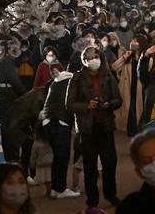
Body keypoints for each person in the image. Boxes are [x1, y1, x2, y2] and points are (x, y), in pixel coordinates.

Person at [66, 44, 122, 208]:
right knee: (90, 166)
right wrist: (87, 106)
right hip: (87, 128)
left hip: (105, 125)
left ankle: (111, 194)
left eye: (95, 57)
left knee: (110, 163)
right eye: (89, 58)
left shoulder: (107, 75)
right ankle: (92, 199)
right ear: (83, 61)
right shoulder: (76, 78)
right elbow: (69, 104)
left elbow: (118, 99)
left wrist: (108, 104)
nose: (93, 61)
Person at [39, 69, 78, 199]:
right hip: (60, 121)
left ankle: (56, 189)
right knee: (62, 157)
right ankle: (61, 189)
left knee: (57, 157)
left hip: (47, 121)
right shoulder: (71, 82)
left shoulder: (56, 81)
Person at [0, 43, 27, 161]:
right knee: (11, 129)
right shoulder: (6, 62)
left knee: (5, 129)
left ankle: (9, 157)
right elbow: (14, 81)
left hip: (0, 96)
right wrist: (25, 94)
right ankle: (13, 158)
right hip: (8, 97)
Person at [111, 33, 147, 137]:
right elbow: (114, 67)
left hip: (141, 88)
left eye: (136, 41)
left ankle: (141, 132)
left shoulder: (145, 56)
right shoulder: (128, 57)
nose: (133, 43)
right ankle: (132, 132)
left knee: (140, 111)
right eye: (132, 41)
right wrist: (124, 56)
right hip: (129, 88)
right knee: (130, 111)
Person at [29, 121, 53, 197]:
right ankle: (52, 190)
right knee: (51, 178)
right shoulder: (51, 140)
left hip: (42, 164)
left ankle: (49, 192)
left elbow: (33, 156)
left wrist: (32, 165)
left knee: (46, 180)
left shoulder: (36, 143)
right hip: (52, 162)